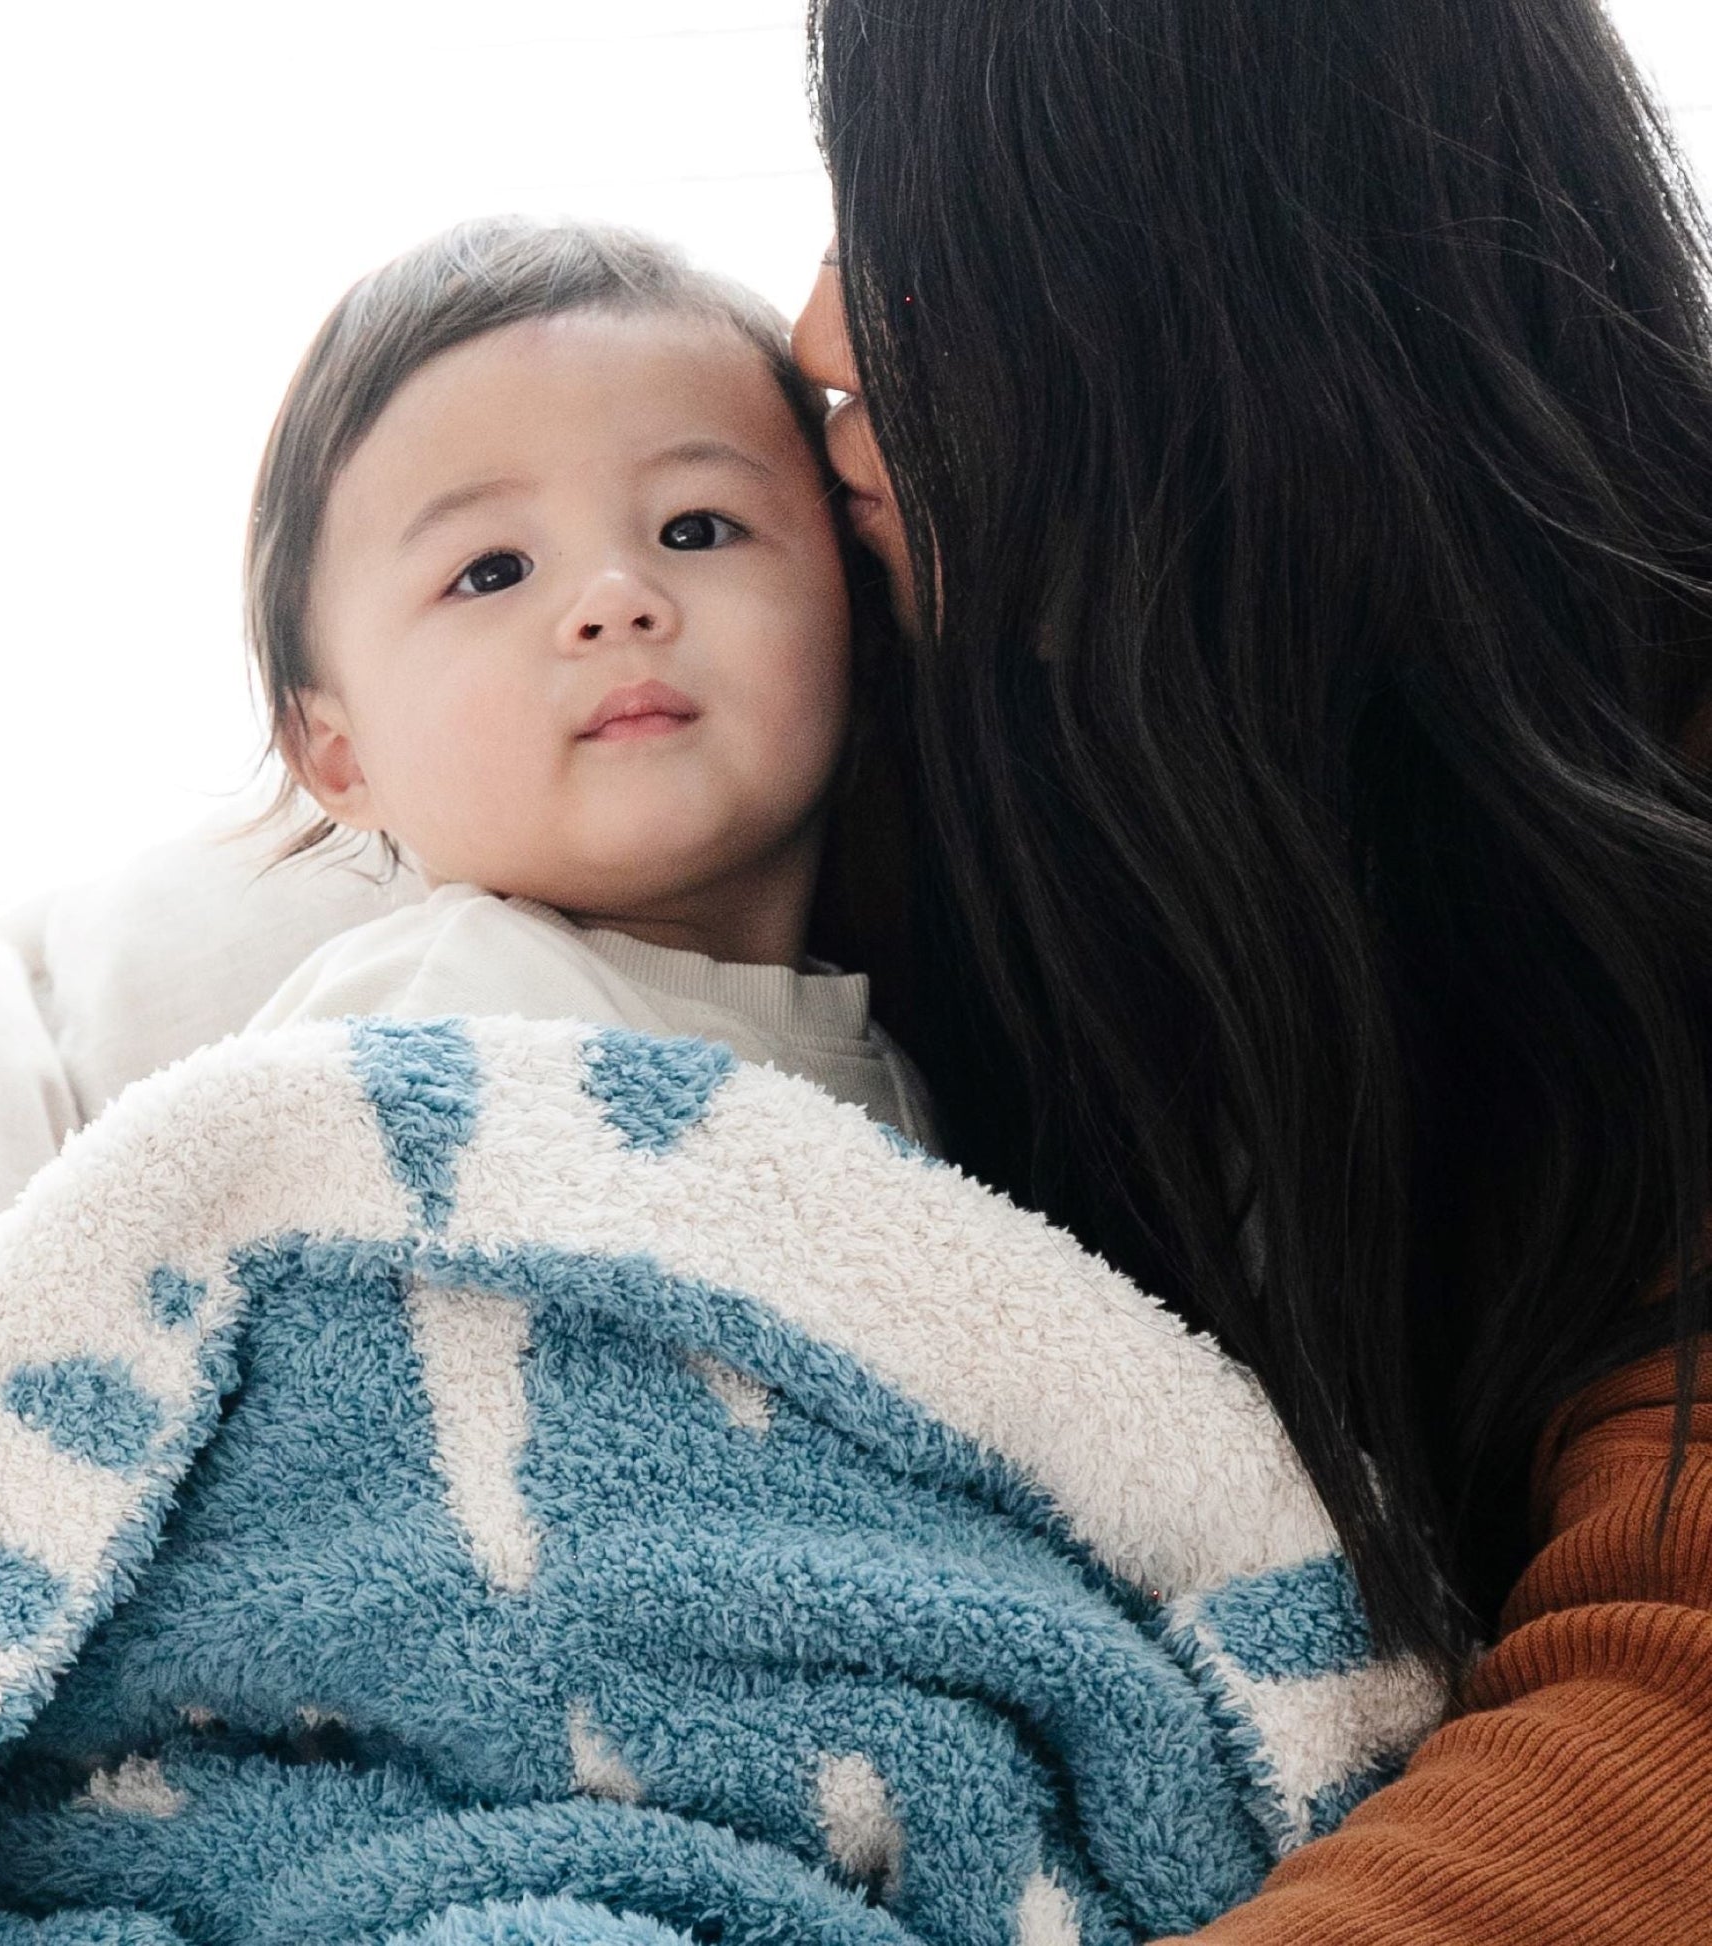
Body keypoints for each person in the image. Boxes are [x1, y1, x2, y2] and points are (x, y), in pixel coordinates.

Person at [789, 0, 1712, 1935]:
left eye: (911, 233)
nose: (813, 341)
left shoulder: (1645, 819)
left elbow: (1672, 1691)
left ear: (1191, 299)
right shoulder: (1026, 730)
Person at [238, 217, 935, 1154]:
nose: (615, 602)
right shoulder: (420, 1032)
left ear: (854, 600)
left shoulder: (892, 1065)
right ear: (339, 755)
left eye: (695, 529)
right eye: (493, 570)